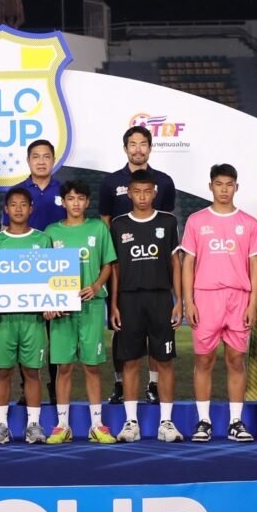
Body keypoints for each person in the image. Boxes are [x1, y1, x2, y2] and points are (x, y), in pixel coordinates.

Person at [180, 164, 257, 443]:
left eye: (229, 184)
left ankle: (235, 422)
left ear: (236, 187)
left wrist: (253, 303)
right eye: (219, 184)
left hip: (238, 298)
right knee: (204, 359)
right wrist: (189, 301)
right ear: (211, 187)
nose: (224, 189)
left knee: (236, 359)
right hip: (206, 297)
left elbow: (255, 266)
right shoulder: (196, 221)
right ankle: (203, 421)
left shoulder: (249, 223)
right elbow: (188, 262)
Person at [100, 125, 176, 406]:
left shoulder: (164, 181)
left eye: (143, 143)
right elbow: (106, 225)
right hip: (122, 268)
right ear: (125, 148)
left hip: (154, 268)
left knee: (158, 335)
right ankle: (120, 384)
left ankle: (153, 384)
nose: (138, 149)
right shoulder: (111, 182)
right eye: (132, 144)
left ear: (150, 147)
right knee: (121, 330)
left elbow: (165, 225)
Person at [109, 169, 183, 443]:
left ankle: (167, 422)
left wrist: (179, 300)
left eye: (147, 191)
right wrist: (113, 304)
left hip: (160, 298)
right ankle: (131, 423)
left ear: (155, 193)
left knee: (165, 361)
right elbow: (115, 268)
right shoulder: (118, 225)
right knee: (130, 361)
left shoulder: (167, 221)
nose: (142, 197)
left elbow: (175, 263)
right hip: (129, 300)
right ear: (129, 193)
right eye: (137, 192)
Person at [44, 179, 117, 444]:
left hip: (91, 306)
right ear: (63, 202)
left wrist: (96, 286)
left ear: (87, 202)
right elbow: (44, 270)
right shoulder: (51, 232)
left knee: (91, 366)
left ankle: (97, 425)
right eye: (70, 198)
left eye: (80, 198)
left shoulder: (98, 228)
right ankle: (62, 425)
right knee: (63, 367)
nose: (75, 203)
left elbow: (108, 263)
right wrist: (51, 302)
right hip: (62, 311)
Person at [0, 188, 53, 445]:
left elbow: (51, 278)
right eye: (13, 204)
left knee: (32, 372)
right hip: (3, 320)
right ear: (6, 209)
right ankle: (1, 425)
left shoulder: (43, 240)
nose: (18, 209)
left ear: (31, 208)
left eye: (23, 204)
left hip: (33, 319)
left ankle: (33, 425)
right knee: (2, 372)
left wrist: (51, 303)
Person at [20, 139, 64, 405]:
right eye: (35, 156)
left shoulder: (64, 191)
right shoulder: (18, 192)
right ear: (28, 161)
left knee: (56, 334)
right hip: (26, 270)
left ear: (53, 160)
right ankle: (27, 390)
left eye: (46, 156)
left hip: (57, 271)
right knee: (27, 333)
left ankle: (57, 389)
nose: (41, 161)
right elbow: (8, 232)